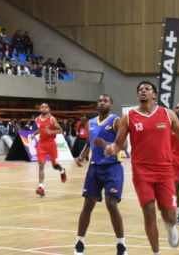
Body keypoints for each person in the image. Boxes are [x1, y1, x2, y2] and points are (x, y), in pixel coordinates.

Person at [104, 81, 179, 254]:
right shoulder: (128, 117)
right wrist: (111, 149)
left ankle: (170, 227)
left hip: (165, 170)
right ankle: (156, 252)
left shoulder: (167, 114)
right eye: (140, 90)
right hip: (141, 170)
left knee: (170, 216)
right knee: (149, 211)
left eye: (147, 89)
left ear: (154, 95)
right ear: (138, 96)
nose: (143, 91)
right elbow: (118, 144)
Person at [74, 95, 127, 255]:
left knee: (111, 204)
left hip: (113, 168)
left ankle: (121, 245)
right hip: (94, 168)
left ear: (111, 105)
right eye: (100, 101)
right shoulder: (90, 122)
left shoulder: (116, 121)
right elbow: (89, 145)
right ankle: (79, 243)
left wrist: (106, 144)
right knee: (87, 205)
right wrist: (82, 156)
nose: (102, 103)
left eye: (105, 101)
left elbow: (124, 145)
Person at [29, 103, 67, 196]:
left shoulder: (52, 119)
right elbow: (40, 129)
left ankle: (62, 170)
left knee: (55, 165)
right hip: (41, 144)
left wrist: (50, 132)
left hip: (51, 144)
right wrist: (34, 134)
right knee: (41, 165)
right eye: (42, 107)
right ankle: (41, 187)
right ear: (40, 109)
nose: (44, 108)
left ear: (49, 109)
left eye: (46, 107)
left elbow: (61, 130)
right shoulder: (37, 119)